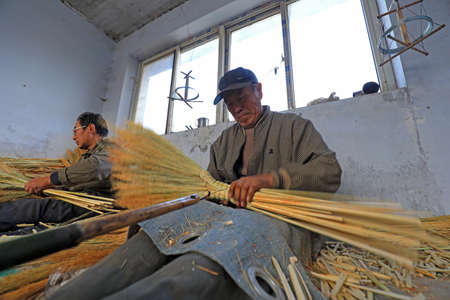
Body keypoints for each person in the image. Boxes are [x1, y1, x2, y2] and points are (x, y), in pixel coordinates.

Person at [46, 68, 341, 300]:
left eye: (242, 98)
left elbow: (329, 172)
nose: (237, 108)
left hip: (273, 219)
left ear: (259, 91)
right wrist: (210, 197)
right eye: (230, 103)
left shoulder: (294, 127)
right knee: (162, 231)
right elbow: (211, 186)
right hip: (227, 217)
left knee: (216, 254)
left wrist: (269, 180)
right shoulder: (224, 141)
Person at [0, 112, 113, 234]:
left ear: (91, 128)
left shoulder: (111, 150)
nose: (73, 137)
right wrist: (52, 188)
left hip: (93, 206)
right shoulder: (90, 154)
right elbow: (81, 180)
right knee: (32, 212)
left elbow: (96, 167)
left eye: (75, 131)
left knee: (36, 208)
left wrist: (48, 180)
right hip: (83, 201)